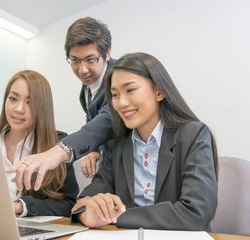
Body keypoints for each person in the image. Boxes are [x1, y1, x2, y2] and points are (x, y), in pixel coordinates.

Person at [70, 52, 218, 231]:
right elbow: (82, 204)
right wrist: (88, 213)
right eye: (114, 94)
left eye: (130, 90)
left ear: (159, 91)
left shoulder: (193, 134)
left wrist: (115, 215)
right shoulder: (119, 145)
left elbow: (196, 212)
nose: (121, 103)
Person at [10, 17, 116, 192]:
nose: (82, 69)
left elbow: (108, 118)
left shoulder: (119, 79)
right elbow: (93, 118)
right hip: (109, 165)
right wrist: (94, 150)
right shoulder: (87, 86)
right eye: (75, 60)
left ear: (107, 53)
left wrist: (59, 151)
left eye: (90, 59)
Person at [0, 70, 78, 217]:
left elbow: (68, 204)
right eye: (13, 99)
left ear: (42, 107)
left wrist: (21, 207)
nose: (19, 109)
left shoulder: (57, 146)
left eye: (30, 102)